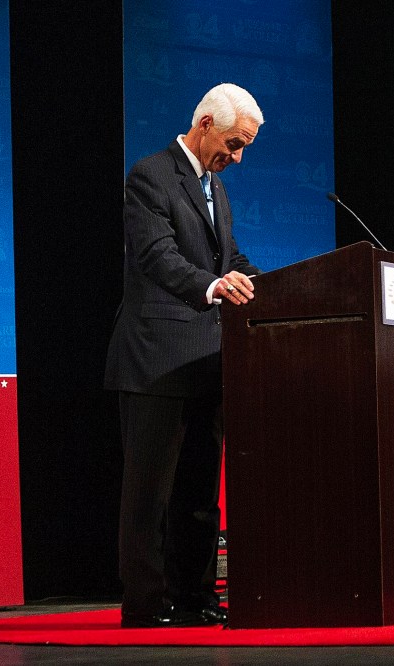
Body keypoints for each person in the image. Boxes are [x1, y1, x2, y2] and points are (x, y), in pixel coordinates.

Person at [104, 83, 263, 628]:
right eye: (234, 144)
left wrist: (270, 285)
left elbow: (230, 255)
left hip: (207, 361)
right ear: (205, 124)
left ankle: (195, 598)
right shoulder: (150, 176)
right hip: (156, 360)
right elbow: (156, 257)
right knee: (149, 494)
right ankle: (145, 606)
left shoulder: (215, 186)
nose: (237, 157)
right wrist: (215, 286)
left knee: (198, 494)